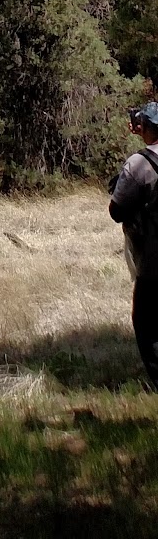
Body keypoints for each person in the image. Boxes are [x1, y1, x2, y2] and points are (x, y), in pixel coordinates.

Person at [109, 100, 158, 386]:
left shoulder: (139, 163)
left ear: (145, 127)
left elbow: (117, 212)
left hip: (154, 263)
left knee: (147, 326)